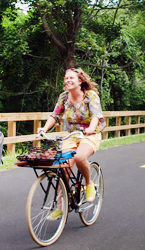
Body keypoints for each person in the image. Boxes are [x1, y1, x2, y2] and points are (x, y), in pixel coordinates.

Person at [38, 67, 106, 220]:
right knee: (64, 167)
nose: (68, 80)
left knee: (80, 157)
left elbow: (96, 115)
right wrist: (44, 128)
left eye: (71, 78)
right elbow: (55, 115)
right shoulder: (63, 97)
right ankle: (60, 208)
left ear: (80, 81)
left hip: (90, 134)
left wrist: (91, 128)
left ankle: (89, 184)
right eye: (66, 78)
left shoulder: (90, 96)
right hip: (70, 135)